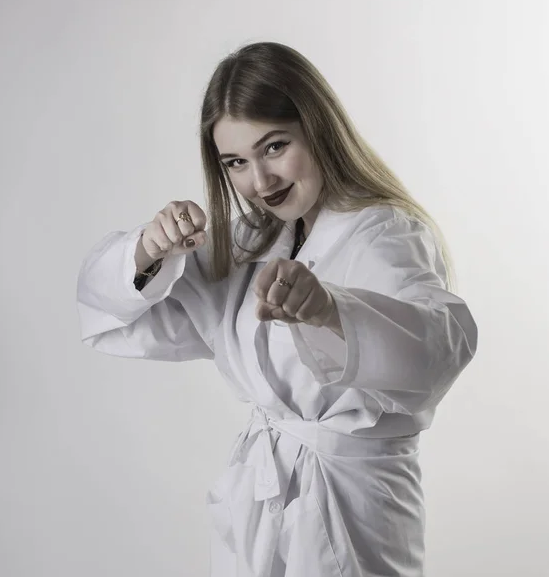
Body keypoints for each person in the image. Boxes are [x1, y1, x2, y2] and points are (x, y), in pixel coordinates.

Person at [76, 41, 478, 577]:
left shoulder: (385, 232)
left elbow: (439, 349)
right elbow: (125, 316)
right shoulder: (252, 240)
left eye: (274, 147)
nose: (259, 183)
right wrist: (150, 247)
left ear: (318, 127)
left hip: (352, 507)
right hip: (263, 495)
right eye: (236, 162)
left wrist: (332, 311)